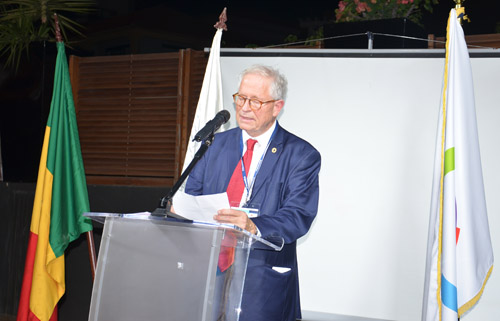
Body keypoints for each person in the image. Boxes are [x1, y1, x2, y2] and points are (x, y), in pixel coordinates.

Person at [185, 64, 321, 321]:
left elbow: (298, 215)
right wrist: (182, 208)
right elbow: (193, 193)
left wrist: (252, 225)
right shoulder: (214, 144)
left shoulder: (301, 155)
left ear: (277, 106)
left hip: (262, 280)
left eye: (256, 101)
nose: (245, 107)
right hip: (208, 270)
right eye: (241, 98)